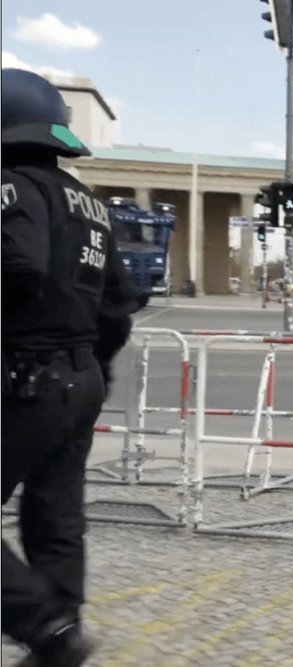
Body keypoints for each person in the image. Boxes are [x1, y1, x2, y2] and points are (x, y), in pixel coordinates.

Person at [2, 68, 140, 666]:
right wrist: (94, 371)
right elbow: (120, 304)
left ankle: (46, 625)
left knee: (51, 511)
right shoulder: (92, 206)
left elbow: (19, 268)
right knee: (54, 513)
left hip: (22, 375)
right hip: (78, 379)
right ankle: (59, 642)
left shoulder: (9, 186)